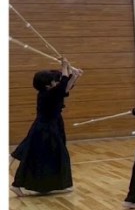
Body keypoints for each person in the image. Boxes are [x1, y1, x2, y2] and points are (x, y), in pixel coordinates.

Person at [11, 59, 83, 196]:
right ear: (48, 85)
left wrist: (74, 75)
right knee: (48, 157)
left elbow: (65, 88)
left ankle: (52, 185)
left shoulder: (49, 93)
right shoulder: (48, 94)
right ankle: (18, 184)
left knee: (46, 158)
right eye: (54, 81)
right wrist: (65, 67)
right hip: (46, 131)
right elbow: (63, 85)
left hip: (48, 128)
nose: (56, 82)